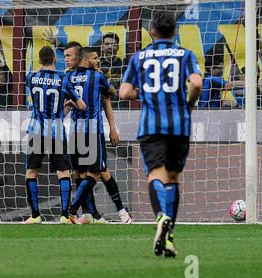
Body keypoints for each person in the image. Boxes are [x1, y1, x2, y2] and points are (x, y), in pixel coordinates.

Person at [119, 11, 203, 257]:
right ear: (175, 32)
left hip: (151, 125)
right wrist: (188, 104)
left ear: (152, 32)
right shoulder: (185, 55)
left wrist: (143, 94)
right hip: (179, 125)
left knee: (155, 174)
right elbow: (197, 84)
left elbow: (124, 93)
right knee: (173, 179)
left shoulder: (139, 57)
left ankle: (161, 217)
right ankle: (169, 238)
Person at [63, 42, 131, 225]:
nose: (98, 60)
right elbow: (112, 94)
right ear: (85, 59)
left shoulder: (67, 77)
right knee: (95, 172)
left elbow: (66, 105)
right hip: (92, 130)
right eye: (95, 58)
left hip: (75, 130)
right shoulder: (97, 76)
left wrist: (113, 128)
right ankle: (77, 212)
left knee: (88, 173)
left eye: (69, 56)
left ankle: (92, 214)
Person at [22, 46, 86, 224]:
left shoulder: (32, 77)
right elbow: (82, 106)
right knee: (63, 172)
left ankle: (35, 216)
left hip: (36, 131)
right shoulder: (63, 78)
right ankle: (65, 215)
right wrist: (70, 104)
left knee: (31, 172)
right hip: (56, 132)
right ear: (56, 60)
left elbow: (33, 74)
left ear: (40, 61)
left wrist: (39, 68)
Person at [99, 32, 128, 109]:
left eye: (113, 44)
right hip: (102, 108)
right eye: (107, 44)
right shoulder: (97, 67)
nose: (110, 47)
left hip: (122, 108)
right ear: (102, 47)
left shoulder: (125, 66)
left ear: (118, 47)